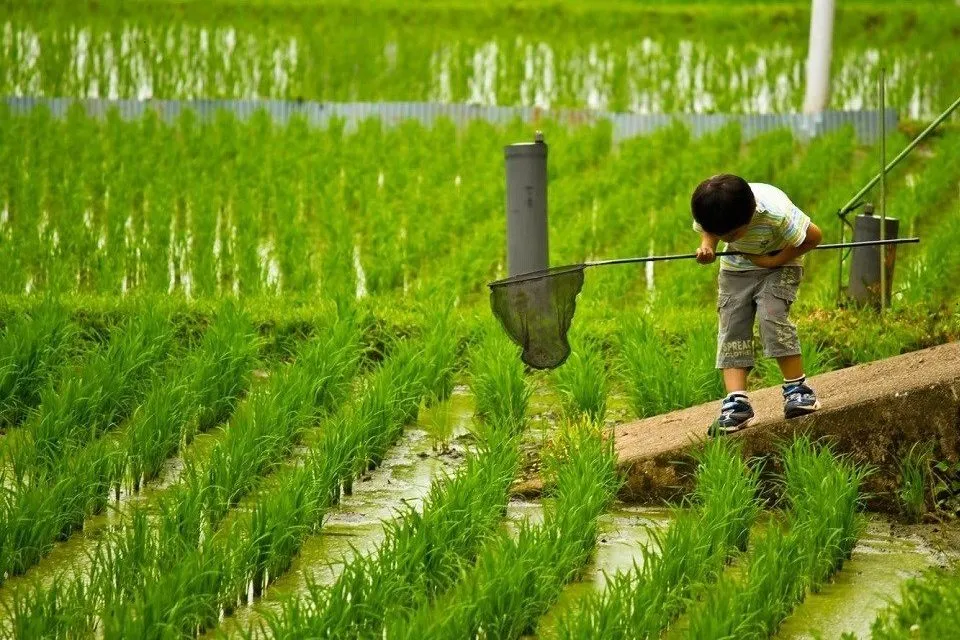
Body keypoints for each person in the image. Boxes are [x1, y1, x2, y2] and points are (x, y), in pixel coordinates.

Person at [691, 174, 823, 436]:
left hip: (779, 265)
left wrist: (773, 262)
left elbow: (814, 237)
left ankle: (797, 389)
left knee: (771, 318)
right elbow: (709, 229)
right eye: (721, 234)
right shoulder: (713, 207)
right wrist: (707, 245)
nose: (726, 237)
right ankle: (737, 403)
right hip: (735, 269)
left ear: (750, 216)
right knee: (732, 327)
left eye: (731, 234)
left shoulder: (776, 213)